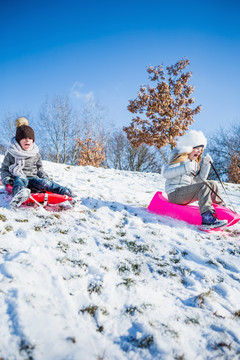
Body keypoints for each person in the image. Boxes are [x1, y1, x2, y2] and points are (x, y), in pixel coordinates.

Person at [1, 117, 76, 209]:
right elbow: (4, 168)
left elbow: (40, 168)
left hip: (33, 178)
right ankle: (19, 195)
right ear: (18, 140)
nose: (27, 140)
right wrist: (6, 178)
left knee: (46, 183)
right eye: (24, 138)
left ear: (33, 140)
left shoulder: (35, 153)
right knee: (21, 178)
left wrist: (44, 178)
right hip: (17, 178)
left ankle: (64, 191)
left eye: (30, 138)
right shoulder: (12, 152)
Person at [162, 130, 228, 229]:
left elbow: (198, 182)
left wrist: (206, 165)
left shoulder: (192, 163)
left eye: (201, 150)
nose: (199, 151)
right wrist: (184, 168)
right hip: (174, 193)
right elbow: (166, 174)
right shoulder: (178, 159)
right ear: (189, 148)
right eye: (197, 148)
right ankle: (207, 218)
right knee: (205, 186)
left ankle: (222, 211)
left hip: (184, 193)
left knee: (211, 184)